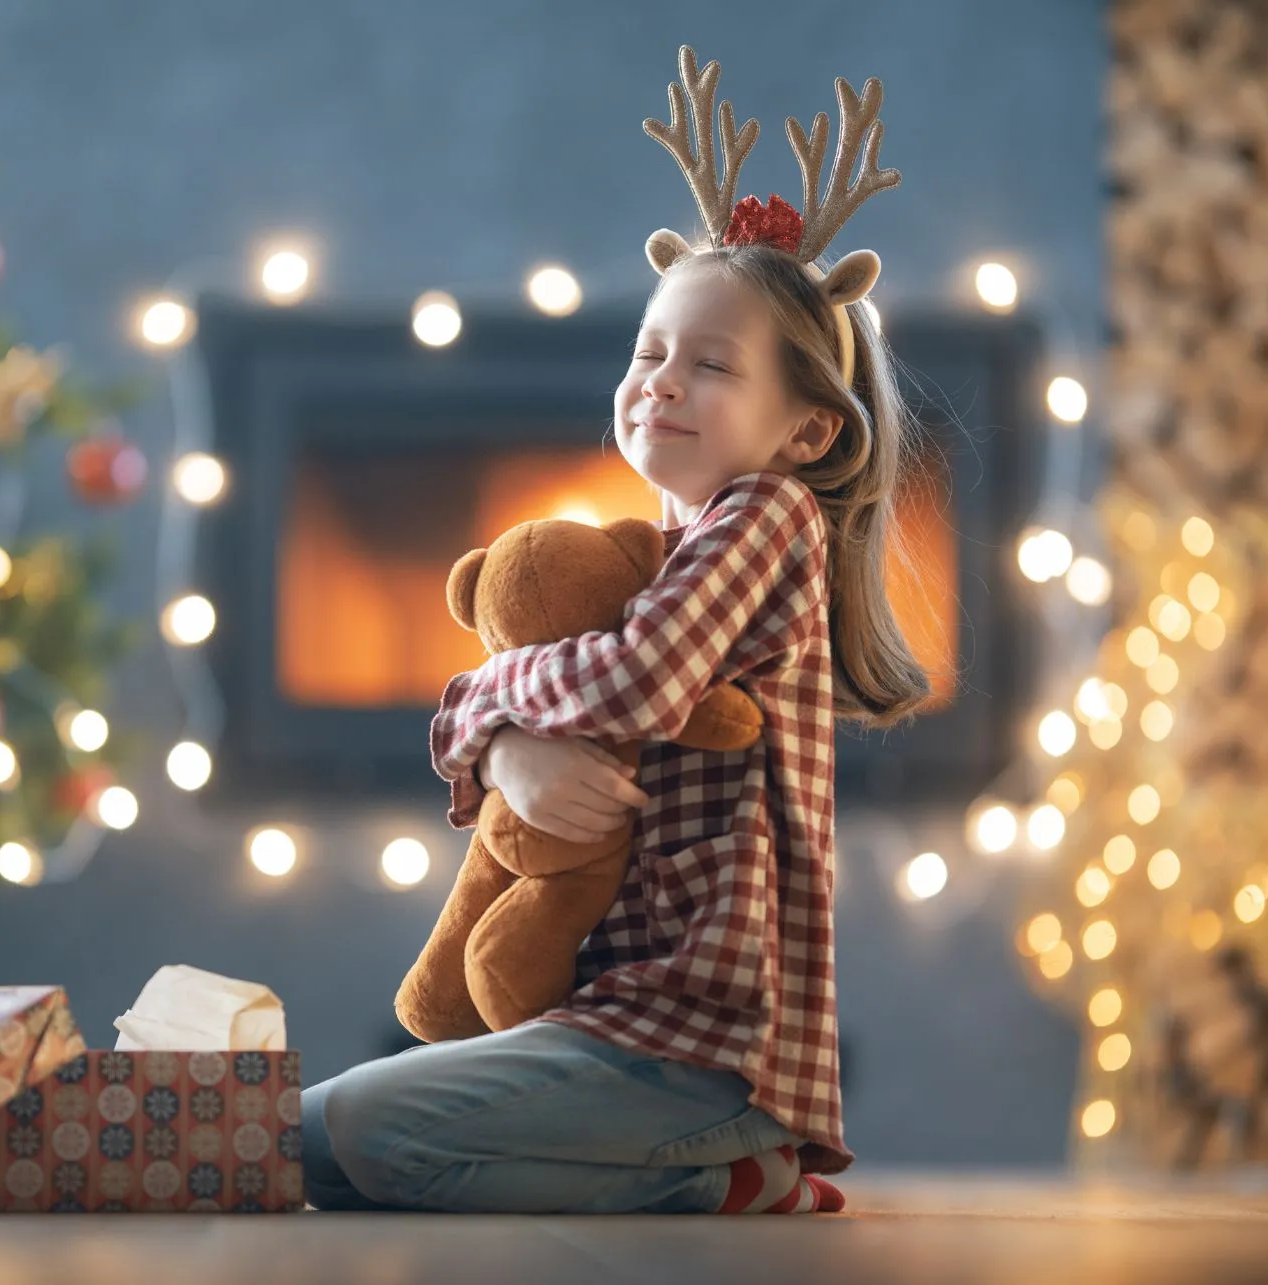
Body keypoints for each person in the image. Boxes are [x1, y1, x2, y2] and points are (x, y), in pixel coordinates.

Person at [301, 46, 933, 1215]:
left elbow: (639, 684)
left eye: (710, 365)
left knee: (363, 1135)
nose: (662, 384)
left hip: (705, 1045)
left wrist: (490, 709)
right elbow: (578, 689)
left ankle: (732, 1174)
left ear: (805, 432)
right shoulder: (660, 547)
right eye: (649, 354)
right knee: (315, 1134)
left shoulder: (765, 516)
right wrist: (504, 745)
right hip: (616, 1019)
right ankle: (713, 1171)